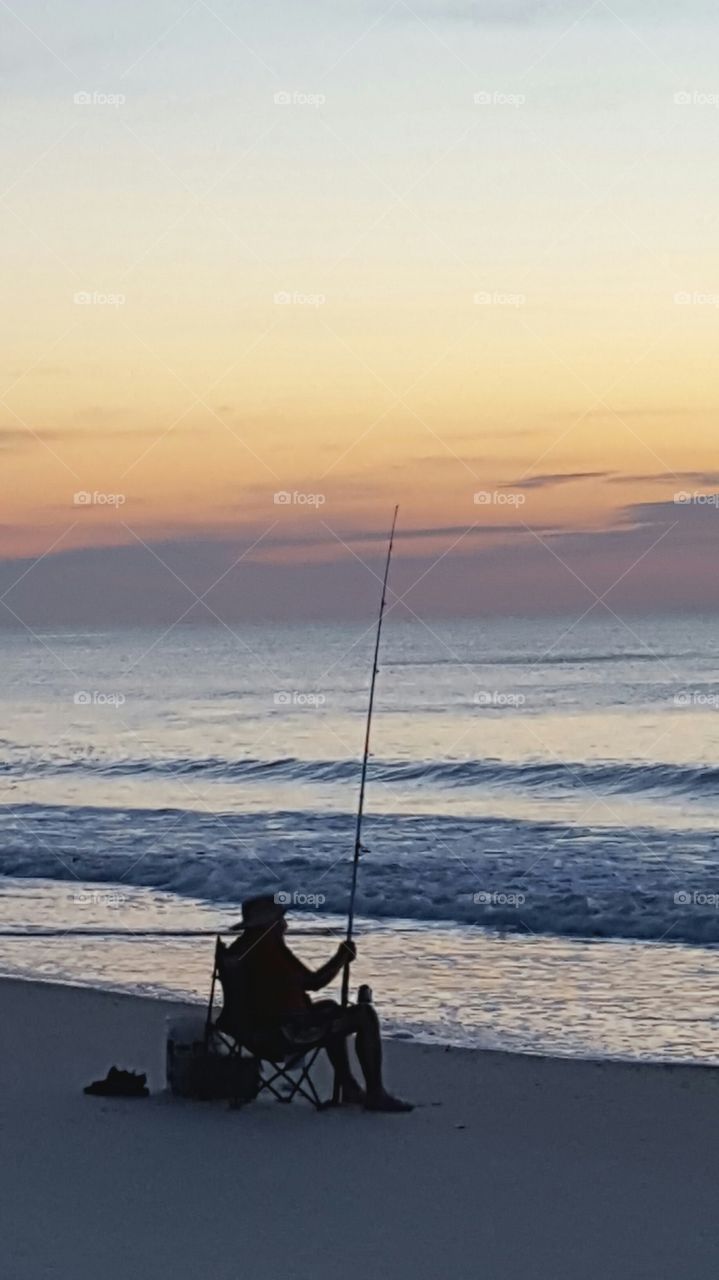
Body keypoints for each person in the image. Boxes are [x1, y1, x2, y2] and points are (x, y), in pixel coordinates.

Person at [226, 894, 412, 1113]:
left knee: (331, 1010)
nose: (285, 925)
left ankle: (349, 1086)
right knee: (364, 1015)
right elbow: (314, 982)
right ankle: (375, 1093)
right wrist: (341, 957)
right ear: (270, 924)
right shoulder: (267, 951)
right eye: (280, 920)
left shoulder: (242, 948)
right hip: (282, 1033)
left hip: (253, 1030)